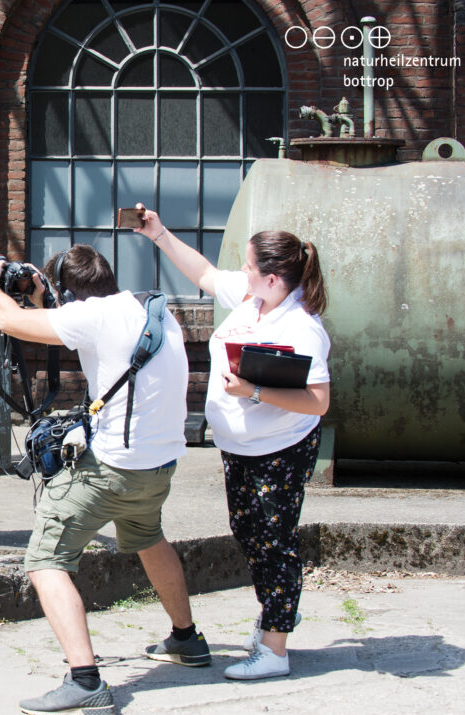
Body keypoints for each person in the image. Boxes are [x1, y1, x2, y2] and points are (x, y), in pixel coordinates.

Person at [0, 245, 210, 715]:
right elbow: (77, 329)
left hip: (112, 471)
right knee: (148, 537)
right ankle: (187, 640)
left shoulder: (94, 318)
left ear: (69, 292)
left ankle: (85, 680)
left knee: (45, 560)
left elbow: (10, 323)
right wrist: (46, 297)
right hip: (159, 469)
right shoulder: (151, 309)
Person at [132, 205, 330, 680]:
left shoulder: (301, 327)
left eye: (249, 265)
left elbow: (319, 401)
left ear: (275, 277)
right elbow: (202, 273)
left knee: (274, 543)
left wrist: (254, 392)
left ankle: (275, 649)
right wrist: (158, 233)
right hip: (239, 448)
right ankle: (276, 612)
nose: (241, 272)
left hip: (279, 450)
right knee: (248, 533)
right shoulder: (252, 295)